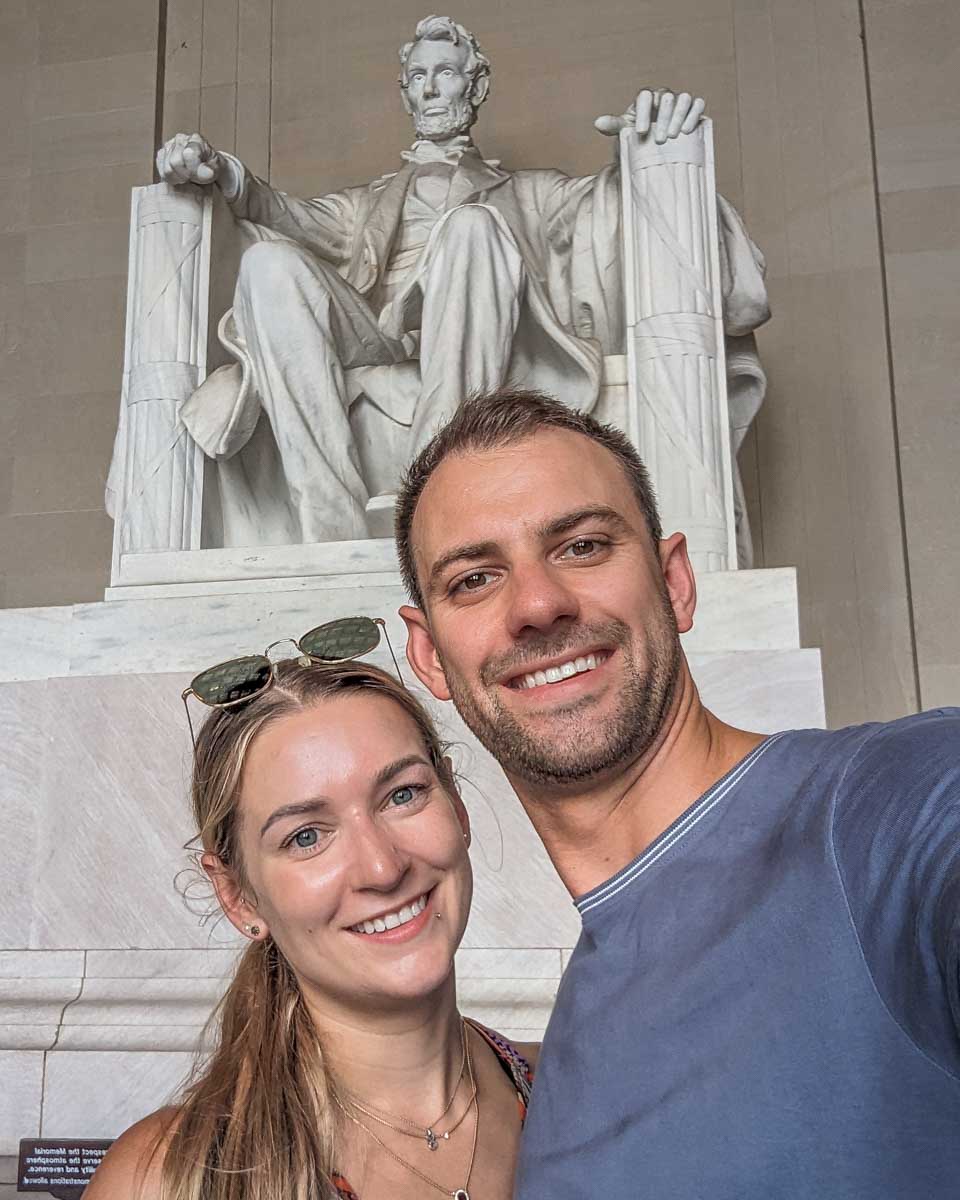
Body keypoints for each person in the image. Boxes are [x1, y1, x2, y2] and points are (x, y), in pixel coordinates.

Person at [394, 389, 960, 1198]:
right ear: (429, 656)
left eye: (583, 545)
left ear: (675, 582)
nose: (538, 604)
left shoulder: (889, 805)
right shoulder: (556, 1078)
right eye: (477, 578)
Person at [145, 14, 768, 546]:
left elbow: (607, 205)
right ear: (405, 93)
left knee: (472, 227)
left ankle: (435, 487)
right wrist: (221, 172)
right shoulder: (368, 204)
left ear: (476, 86)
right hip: (378, 336)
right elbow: (282, 213)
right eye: (418, 77)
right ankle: (328, 519)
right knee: (266, 262)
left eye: (445, 73)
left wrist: (642, 141)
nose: (431, 88)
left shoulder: (526, 193)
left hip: (482, 329)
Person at [87, 658, 535, 1200]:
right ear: (238, 896)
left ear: (458, 808)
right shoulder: (160, 1180)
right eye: (306, 836)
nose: (382, 868)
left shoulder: (577, 1084)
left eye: (402, 794)